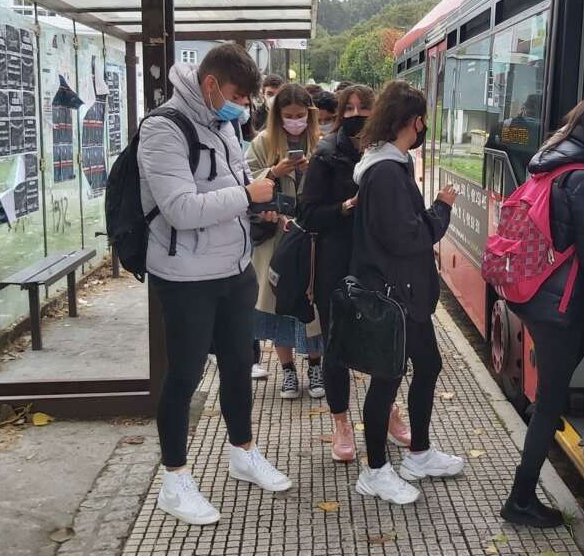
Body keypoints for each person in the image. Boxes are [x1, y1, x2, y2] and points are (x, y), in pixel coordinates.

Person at [139, 43, 292, 526]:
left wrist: (259, 197)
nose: (243, 107)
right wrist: (247, 193)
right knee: (183, 375)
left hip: (233, 267)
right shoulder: (162, 130)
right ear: (210, 85)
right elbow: (180, 209)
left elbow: (233, 181)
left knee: (236, 366)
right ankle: (175, 479)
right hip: (185, 276)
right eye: (238, 96)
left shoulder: (222, 124)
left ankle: (242, 452)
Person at [501, 99, 584, 528]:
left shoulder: (548, 168)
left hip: (535, 293)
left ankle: (538, 412)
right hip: (560, 303)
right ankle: (520, 500)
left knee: (559, 377)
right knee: (552, 400)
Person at [349, 80, 464, 505]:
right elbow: (407, 236)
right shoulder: (386, 173)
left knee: (428, 365)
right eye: (422, 122)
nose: (423, 129)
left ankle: (418, 452)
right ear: (413, 122)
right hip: (393, 294)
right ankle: (375, 470)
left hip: (404, 293)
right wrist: (442, 208)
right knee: (387, 379)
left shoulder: (387, 165)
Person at [299, 84, 412, 463]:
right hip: (337, 262)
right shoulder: (327, 155)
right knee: (336, 346)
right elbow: (307, 214)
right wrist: (346, 207)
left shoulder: (392, 155)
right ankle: (341, 422)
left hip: (378, 265)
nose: (356, 114)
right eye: (348, 108)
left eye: (365, 107)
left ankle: (388, 411)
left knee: (384, 341)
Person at [245, 83, 325, 400]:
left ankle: (316, 367)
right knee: (278, 302)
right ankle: (288, 371)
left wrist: (313, 169)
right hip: (275, 237)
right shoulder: (263, 142)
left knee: (311, 302)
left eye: (300, 115)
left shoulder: (319, 143)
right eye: (288, 115)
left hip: (311, 237)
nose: (295, 121)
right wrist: (273, 171)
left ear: (310, 115)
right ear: (278, 115)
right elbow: (245, 181)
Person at [244, 73, 284, 140]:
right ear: (263, 95)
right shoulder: (254, 117)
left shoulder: (288, 116)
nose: (274, 98)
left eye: (278, 95)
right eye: (270, 94)